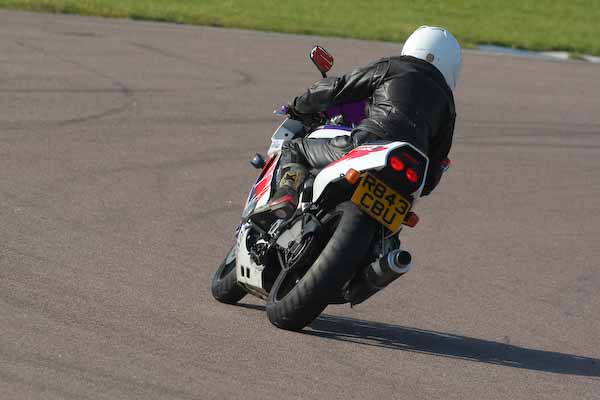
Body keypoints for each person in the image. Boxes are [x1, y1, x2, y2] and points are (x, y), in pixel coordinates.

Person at [257, 25, 461, 220]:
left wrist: (298, 106)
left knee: (294, 148)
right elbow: (436, 165)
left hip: (371, 142)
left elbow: (337, 88)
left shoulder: (395, 67)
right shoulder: (448, 107)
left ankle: (287, 194)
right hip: (411, 174)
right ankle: (384, 242)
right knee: (396, 225)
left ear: (414, 46)